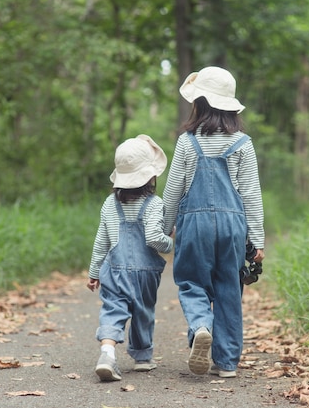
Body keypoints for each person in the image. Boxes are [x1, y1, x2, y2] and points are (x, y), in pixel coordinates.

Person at [163, 66, 265, 379]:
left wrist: (164, 228)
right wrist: (257, 240)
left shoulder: (186, 142)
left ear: (200, 104)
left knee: (192, 281)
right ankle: (227, 362)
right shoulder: (243, 143)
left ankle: (201, 325)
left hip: (194, 224)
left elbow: (173, 189)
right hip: (233, 227)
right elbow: (251, 195)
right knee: (229, 288)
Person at [87, 134, 174, 382]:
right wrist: (171, 242)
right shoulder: (154, 203)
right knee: (143, 311)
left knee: (113, 309)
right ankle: (143, 358)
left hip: (113, 270)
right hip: (145, 272)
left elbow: (101, 241)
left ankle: (107, 353)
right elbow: (155, 239)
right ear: (150, 176)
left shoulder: (109, 203)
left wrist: (94, 272)